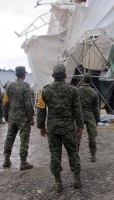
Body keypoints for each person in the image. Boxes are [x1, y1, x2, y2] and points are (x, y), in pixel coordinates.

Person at [36, 64, 84, 192]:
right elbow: (77, 110)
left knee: (55, 154)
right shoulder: (73, 90)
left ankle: (58, 182)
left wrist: (41, 126)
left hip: (53, 128)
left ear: (53, 76)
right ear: (65, 76)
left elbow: (40, 110)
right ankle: (76, 179)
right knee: (73, 152)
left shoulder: (45, 91)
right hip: (68, 127)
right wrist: (80, 125)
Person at [2, 66, 34, 170]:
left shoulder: (9, 86)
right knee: (24, 139)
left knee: (10, 137)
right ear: (24, 74)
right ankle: (23, 161)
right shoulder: (25, 86)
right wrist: (31, 118)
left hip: (12, 117)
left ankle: (6, 159)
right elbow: (28, 104)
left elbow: (5, 103)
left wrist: (6, 116)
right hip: (23, 118)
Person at [77, 73, 100, 162]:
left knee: (77, 136)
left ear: (82, 80)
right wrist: (97, 120)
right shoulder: (94, 92)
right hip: (90, 115)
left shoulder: (77, 90)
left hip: (80, 115)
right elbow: (96, 108)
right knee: (92, 136)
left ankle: (76, 155)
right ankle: (93, 155)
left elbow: (74, 105)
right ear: (90, 81)